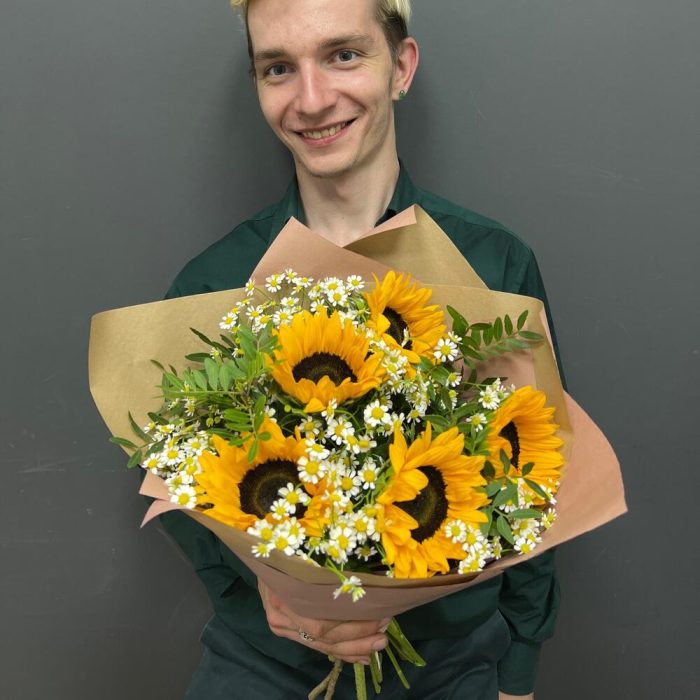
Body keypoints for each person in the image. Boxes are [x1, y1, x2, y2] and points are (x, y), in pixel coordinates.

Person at [161, 1, 560, 697]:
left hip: (451, 665)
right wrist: (260, 583)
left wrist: (519, 671)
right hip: (263, 666)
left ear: (400, 67)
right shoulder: (212, 285)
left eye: (343, 55)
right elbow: (175, 478)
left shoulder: (491, 265)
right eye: (278, 68)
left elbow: (535, 479)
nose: (312, 99)